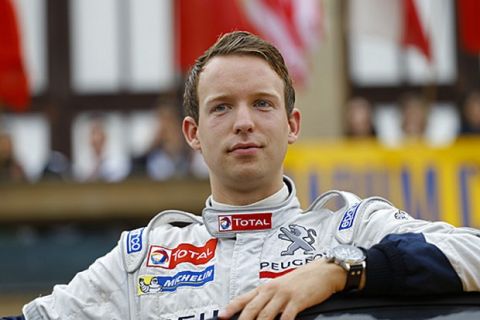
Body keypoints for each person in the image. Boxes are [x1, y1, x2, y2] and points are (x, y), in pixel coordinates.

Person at [11, 31, 480, 320]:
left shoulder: (350, 227)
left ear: (291, 124)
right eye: (222, 107)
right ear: (192, 133)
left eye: (261, 103)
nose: (244, 122)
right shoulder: (143, 258)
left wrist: (341, 272)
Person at [130, 102, 192, 180]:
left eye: (169, 121)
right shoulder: (143, 161)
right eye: (160, 120)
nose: (164, 127)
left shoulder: (189, 156)